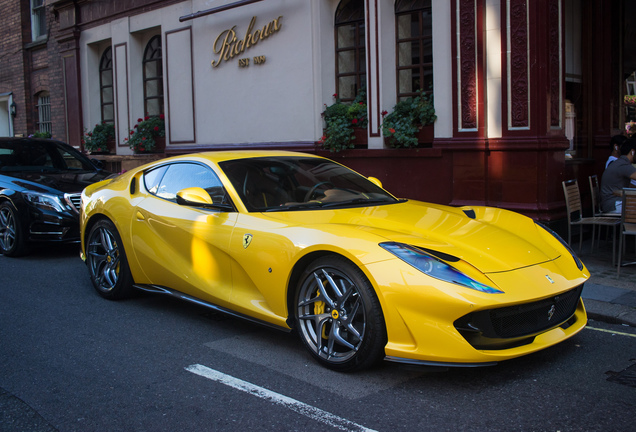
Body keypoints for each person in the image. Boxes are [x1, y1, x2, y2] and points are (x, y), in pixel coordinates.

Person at [600, 138, 636, 213]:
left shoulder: (620, 162)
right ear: (632, 152)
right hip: (613, 204)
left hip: (613, 202)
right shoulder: (623, 165)